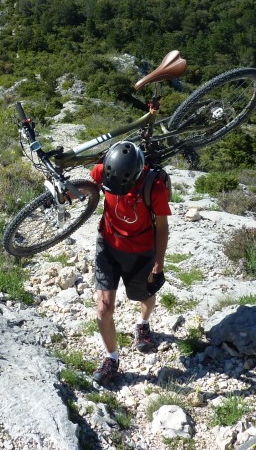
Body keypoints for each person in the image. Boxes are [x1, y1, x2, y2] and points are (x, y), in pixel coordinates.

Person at [88, 140, 171, 385]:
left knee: (144, 295)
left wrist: (159, 264)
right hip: (108, 245)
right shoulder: (104, 170)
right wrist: (65, 193)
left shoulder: (153, 186)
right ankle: (111, 358)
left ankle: (143, 324)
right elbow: (87, 188)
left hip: (141, 251)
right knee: (103, 308)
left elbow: (163, 229)